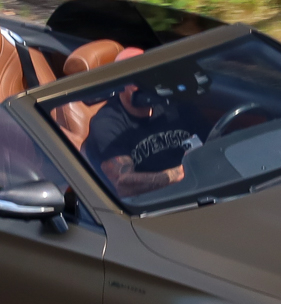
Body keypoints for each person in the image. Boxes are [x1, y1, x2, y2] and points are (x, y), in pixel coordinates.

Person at [82, 54, 203, 198]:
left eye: (149, 76)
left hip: (201, 188)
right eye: (136, 79)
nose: (145, 84)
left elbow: (213, 140)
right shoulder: (106, 124)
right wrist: (178, 174)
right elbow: (123, 184)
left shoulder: (176, 105)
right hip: (155, 205)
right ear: (120, 84)